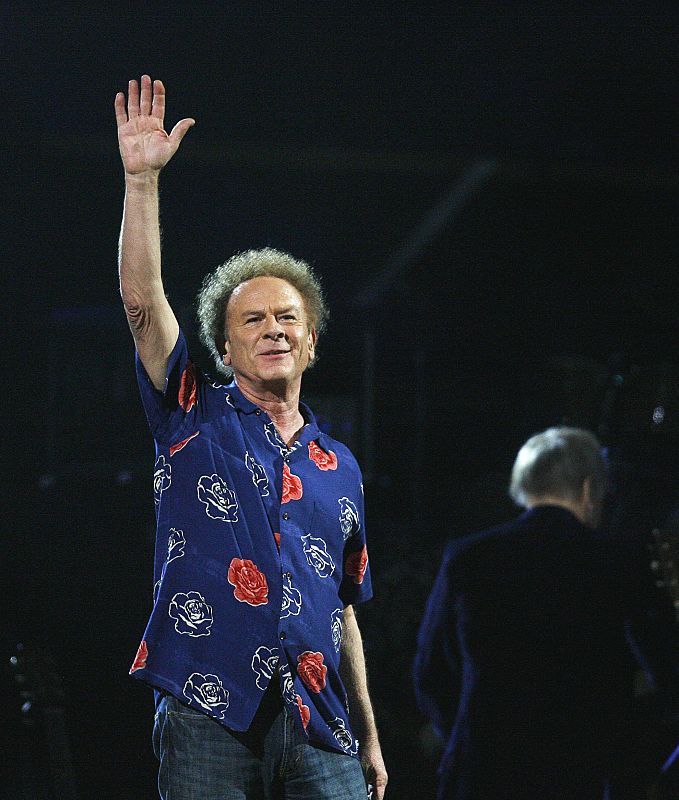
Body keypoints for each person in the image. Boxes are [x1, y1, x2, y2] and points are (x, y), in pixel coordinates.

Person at [115, 75, 387, 800]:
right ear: (225, 350)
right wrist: (141, 183)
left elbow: (344, 606)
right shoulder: (191, 416)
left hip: (321, 721)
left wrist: (367, 730)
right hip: (208, 708)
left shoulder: (341, 466)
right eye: (253, 321)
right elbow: (142, 307)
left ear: (311, 342)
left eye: (287, 318)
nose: (273, 328)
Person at [414, 426, 679, 800]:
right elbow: (666, 670)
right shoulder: (617, 563)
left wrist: (468, 735)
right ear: (589, 490)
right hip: (581, 774)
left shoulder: (468, 557)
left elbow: (430, 673)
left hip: (481, 771)